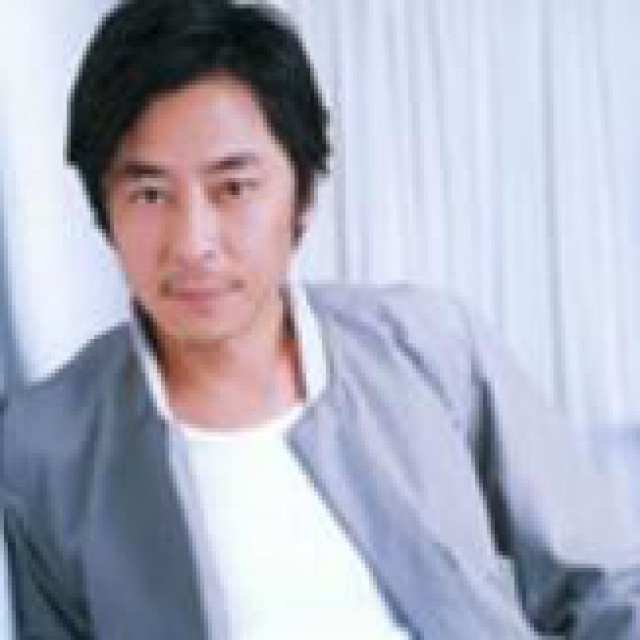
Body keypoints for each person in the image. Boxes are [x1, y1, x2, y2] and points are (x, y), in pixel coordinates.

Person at [1, 0, 639, 638]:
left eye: (233, 188)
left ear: (302, 195)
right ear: (103, 211)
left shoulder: (429, 347)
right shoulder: (43, 449)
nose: (193, 242)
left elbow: (609, 588)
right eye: (149, 194)